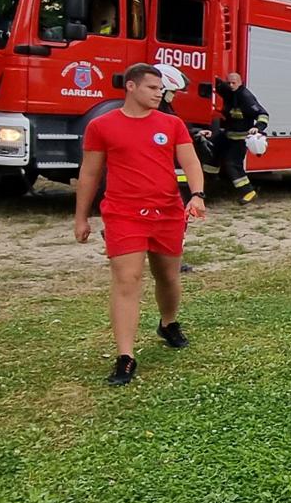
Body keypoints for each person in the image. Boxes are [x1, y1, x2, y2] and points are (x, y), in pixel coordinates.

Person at [73, 63, 209, 386]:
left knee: (168, 277)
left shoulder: (172, 124)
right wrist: (81, 217)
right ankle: (126, 356)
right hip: (123, 214)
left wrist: (198, 194)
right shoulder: (101, 126)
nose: (159, 93)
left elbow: (190, 160)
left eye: (160, 88)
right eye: (152, 87)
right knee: (127, 280)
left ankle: (168, 322)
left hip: (167, 213)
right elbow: (89, 174)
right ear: (131, 87)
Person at [213, 72, 269, 205]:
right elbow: (217, 83)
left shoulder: (246, 97)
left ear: (240, 82)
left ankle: (248, 192)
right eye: (229, 83)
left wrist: (258, 127)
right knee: (211, 151)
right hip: (227, 135)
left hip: (240, 138)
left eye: (234, 83)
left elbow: (263, 114)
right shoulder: (227, 90)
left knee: (232, 164)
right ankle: (210, 183)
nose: (231, 85)